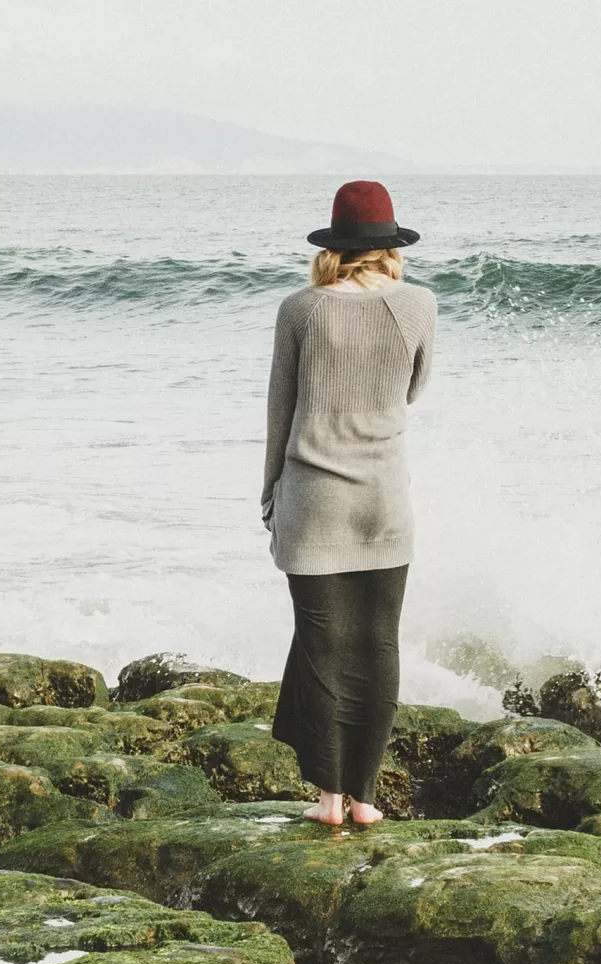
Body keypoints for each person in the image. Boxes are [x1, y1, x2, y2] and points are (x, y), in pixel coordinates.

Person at [261, 180, 437, 825]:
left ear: (332, 246)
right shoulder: (419, 304)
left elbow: (280, 410)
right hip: (385, 498)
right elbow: (414, 389)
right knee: (378, 645)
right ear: (390, 246)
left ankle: (328, 800)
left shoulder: (301, 309)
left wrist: (269, 495)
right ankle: (365, 799)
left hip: (313, 500)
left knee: (321, 647)